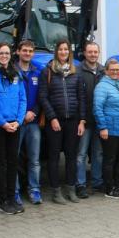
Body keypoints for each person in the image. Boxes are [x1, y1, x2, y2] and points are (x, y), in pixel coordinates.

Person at [38, 40, 87, 204]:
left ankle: (71, 189)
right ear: (56, 52)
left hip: (73, 121)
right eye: (61, 49)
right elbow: (43, 97)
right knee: (53, 157)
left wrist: (82, 121)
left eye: (66, 49)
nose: (64, 52)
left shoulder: (76, 72)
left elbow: (81, 97)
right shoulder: (48, 72)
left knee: (71, 156)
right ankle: (56, 191)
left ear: (69, 52)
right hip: (56, 121)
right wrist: (52, 118)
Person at [0, 43, 26, 215]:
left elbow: (23, 99)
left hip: (14, 124)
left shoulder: (16, 74)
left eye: (7, 53)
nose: (4, 56)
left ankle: (12, 196)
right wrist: (3, 123)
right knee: (1, 162)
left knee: (13, 161)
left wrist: (19, 120)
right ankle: (3, 201)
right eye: (1, 53)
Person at [93, 59, 119, 199]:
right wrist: (103, 127)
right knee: (110, 159)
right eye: (112, 69)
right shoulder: (102, 86)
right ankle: (109, 188)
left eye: (117, 69)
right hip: (110, 129)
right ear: (106, 71)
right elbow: (97, 108)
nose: (115, 72)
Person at [14, 40, 42, 205]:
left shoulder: (37, 72)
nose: (27, 53)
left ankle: (34, 190)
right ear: (18, 52)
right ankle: (15, 191)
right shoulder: (11, 72)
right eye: (24, 50)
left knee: (34, 158)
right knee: (15, 158)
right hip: (16, 122)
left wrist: (34, 112)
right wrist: (21, 115)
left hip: (33, 121)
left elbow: (41, 96)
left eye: (30, 51)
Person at [76, 41, 106, 197]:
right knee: (80, 154)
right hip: (84, 119)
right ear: (85, 53)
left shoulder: (103, 71)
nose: (93, 54)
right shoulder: (77, 70)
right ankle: (80, 184)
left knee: (98, 153)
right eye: (90, 52)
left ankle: (97, 182)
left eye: (95, 52)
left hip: (99, 120)